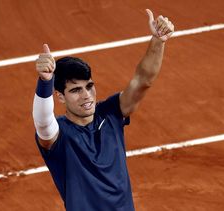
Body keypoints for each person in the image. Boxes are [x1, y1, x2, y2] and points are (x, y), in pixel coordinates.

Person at [32, 9, 174, 211]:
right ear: (60, 96)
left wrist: (158, 41)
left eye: (89, 86)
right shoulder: (59, 136)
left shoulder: (111, 113)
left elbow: (143, 80)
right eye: (75, 90)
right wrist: (45, 82)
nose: (86, 96)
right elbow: (42, 121)